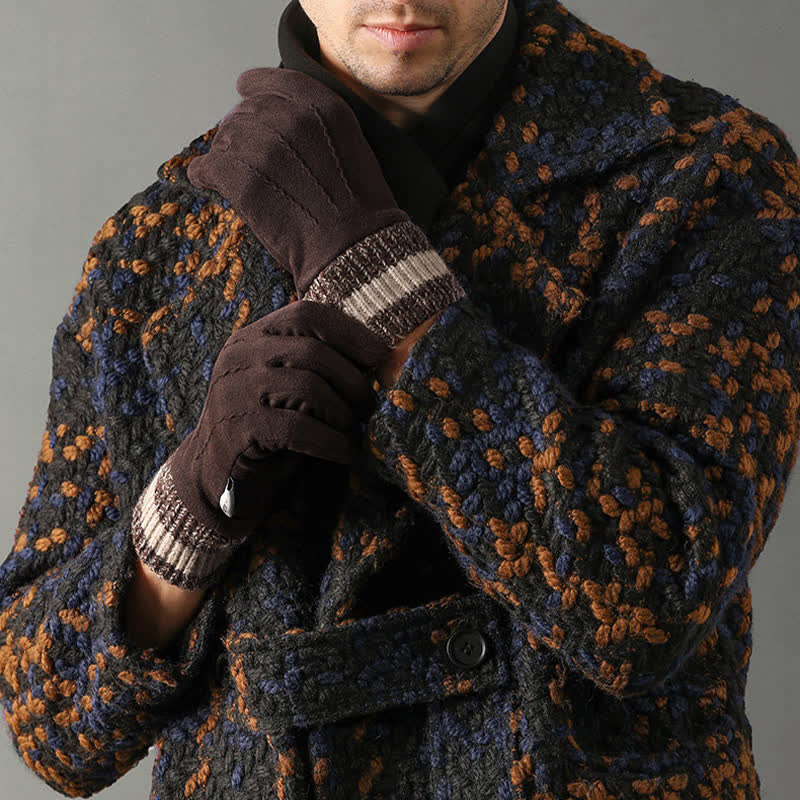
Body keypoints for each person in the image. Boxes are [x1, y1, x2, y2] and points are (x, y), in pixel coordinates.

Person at [1, 0, 798, 797]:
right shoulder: (158, 242)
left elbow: (650, 607)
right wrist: (192, 503)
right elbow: (50, 725)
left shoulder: (708, 172)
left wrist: (375, 278)